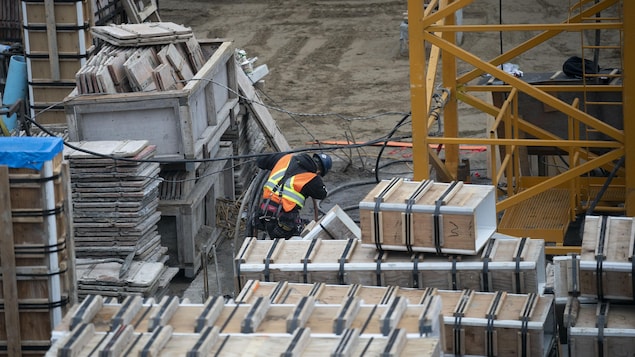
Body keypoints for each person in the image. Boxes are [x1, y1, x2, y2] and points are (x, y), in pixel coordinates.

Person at [256, 152, 332, 239]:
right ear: (319, 171)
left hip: (263, 212)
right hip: (283, 220)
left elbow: (260, 161)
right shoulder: (312, 178)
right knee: (301, 236)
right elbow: (323, 194)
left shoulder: (284, 158)